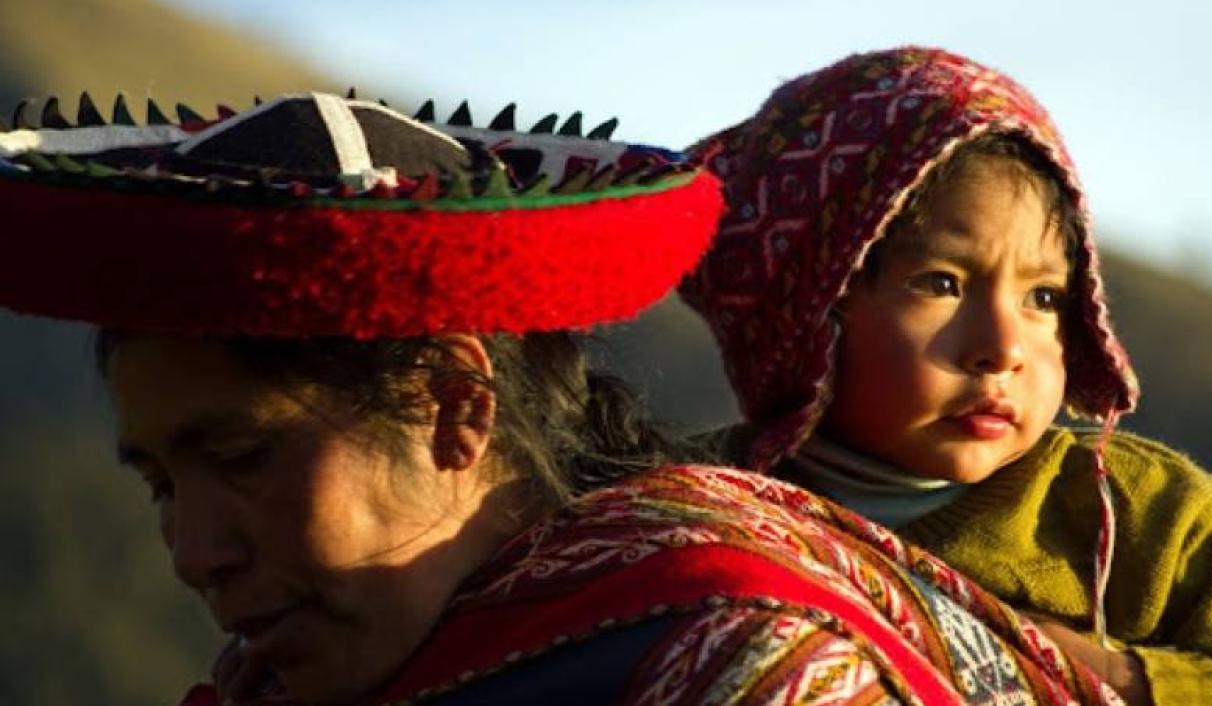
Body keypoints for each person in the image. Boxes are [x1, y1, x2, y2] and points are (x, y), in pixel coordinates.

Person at [1, 91, 1123, 705]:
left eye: (242, 456)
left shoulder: (738, 668)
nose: (194, 549)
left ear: (454, 409)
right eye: (160, 480)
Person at [679, 46, 1212, 706]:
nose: (1003, 348)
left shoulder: (1124, 512)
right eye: (941, 284)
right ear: (807, 316)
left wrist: (1131, 681)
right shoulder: (708, 514)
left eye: (1043, 299)